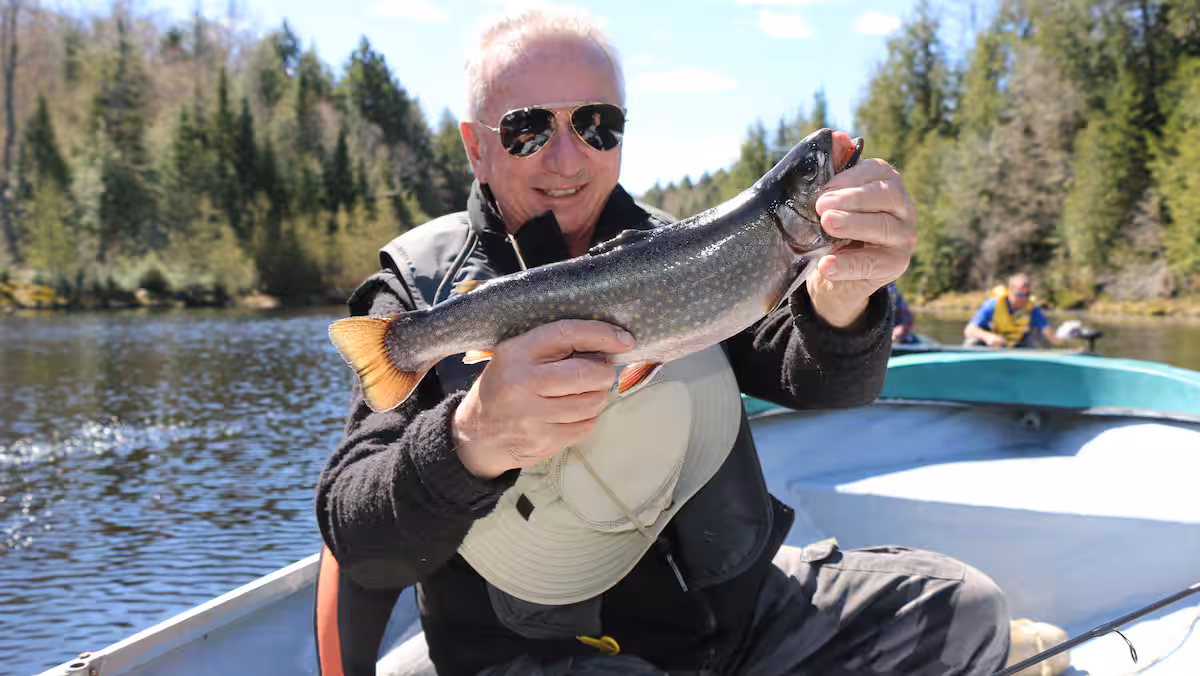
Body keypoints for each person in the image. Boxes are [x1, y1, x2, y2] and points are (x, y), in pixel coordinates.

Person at [315, 8, 1011, 676]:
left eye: (596, 124)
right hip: (532, 656)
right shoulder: (418, 294)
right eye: (528, 129)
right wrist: (473, 437)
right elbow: (361, 541)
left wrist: (845, 298)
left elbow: (827, 386)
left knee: (965, 610)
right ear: (477, 147)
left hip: (733, 623)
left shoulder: (692, 247)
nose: (567, 156)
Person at [963, 273, 1061, 349]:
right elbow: (969, 330)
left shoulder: (1032, 310)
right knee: (972, 341)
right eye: (1020, 294)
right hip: (993, 346)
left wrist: (1064, 335)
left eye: (1027, 295)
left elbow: (1052, 336)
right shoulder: (993, 304)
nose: (1024, 298)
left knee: (1037, 340)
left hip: (1016, 348)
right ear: (1009, 291)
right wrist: (988, 337)